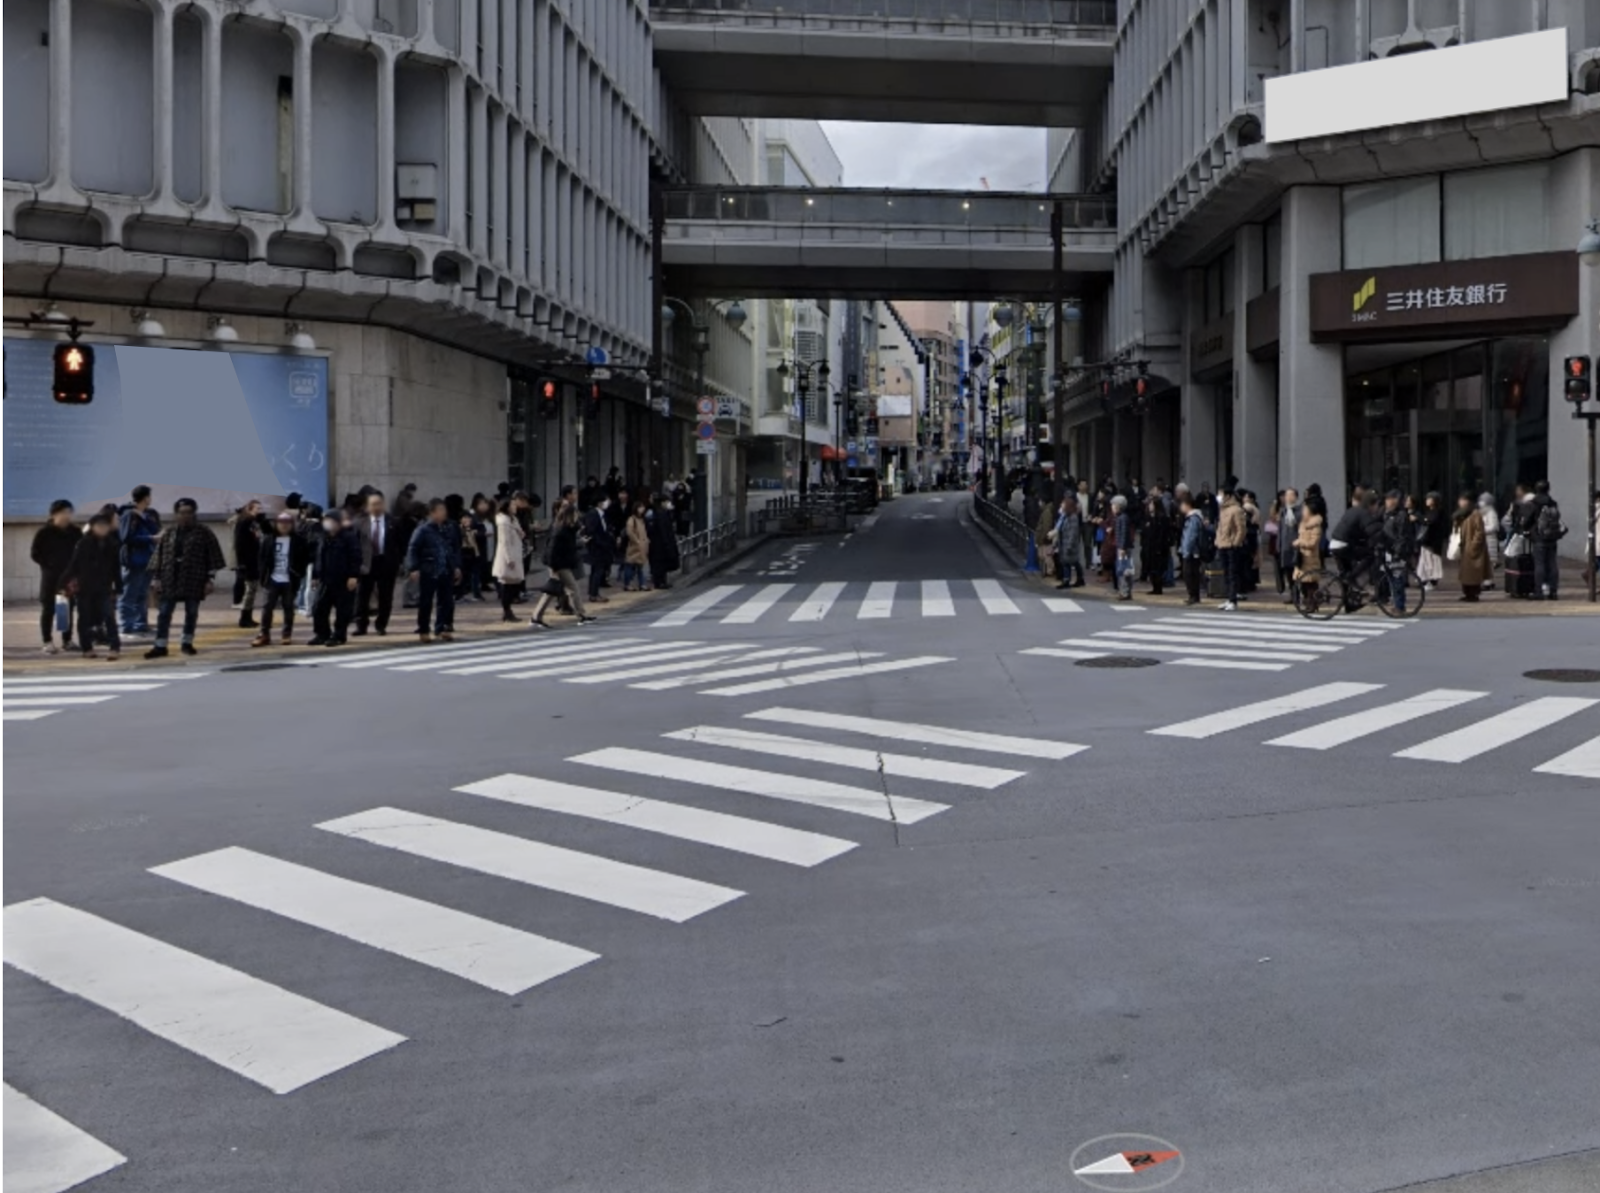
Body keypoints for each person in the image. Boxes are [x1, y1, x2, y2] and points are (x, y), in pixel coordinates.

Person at [145, 497, 226, 659]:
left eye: (189, 512)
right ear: (176, 514)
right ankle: (160, 646)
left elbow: (212, 557)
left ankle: (187, 643)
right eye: (182, 513)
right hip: (170, 578)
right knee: (164, 613)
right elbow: (159, 557)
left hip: (194, 578)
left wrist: (209, 579)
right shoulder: (169, 532)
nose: (185, 516)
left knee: (191, 612)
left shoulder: (204, 532)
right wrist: (156, 578)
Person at [61, 510, 122, 660]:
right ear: (92, 527)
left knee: (109, 616)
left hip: (104, 587)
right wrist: (62, 583)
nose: (102, 528)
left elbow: (116, 567)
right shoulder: (84, 543)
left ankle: (115, 647)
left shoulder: (112, 544)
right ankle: (87, 648)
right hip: (85, 587)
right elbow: (73, 565)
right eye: (99, 526)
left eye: (105, 526)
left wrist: (119, 586)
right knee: (84, 618)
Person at [405, 499, 463, 642]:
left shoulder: (449, 528)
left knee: (447, 601)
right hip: (429, 570)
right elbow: (413, 549)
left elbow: (455, 549)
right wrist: (413, 568)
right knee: (426, 601)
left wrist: (456, 566)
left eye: (444, 510)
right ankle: (424, 629)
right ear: (432, 513)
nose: (444, 513)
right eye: (440, 510)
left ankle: (443, 627)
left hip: (446, 569)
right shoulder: (423, 530)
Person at [32, 499, 83, 655]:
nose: (67, 516)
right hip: (50, 577)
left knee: (66, 609)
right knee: (48, 609)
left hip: (69, 578)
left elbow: (82, 552)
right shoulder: (44, 533)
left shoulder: (75, 532)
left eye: (69, 512)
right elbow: (35, 554)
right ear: (54, 514)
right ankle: (47, 641)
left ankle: (67, 640)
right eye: (64, 513)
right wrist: (50, 565)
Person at [530, 505, 593, 628]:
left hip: (561, 563)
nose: (577, 517)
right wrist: (553, 566)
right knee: (572, 588)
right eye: (575, 515)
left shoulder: (566, 529)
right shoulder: (561, 530)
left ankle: (536, 617)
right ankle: (581, 615)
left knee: (551, 591)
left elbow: (569, 544)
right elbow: (552, 550)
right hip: (559, 564)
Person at [253, 511, 309, 645]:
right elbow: (261, 559)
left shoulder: (298, 541)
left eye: (287, 523)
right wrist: (263, 576)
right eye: (281, 523)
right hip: (272, 578)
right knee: (267, 607)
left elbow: (304, 559)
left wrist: (298, 573)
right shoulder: (268, 539)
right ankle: (264, 633)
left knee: (288, 607)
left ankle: (286, 633)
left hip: (290, 578)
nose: (284, 526)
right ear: (276, 524)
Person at [354, 490, 403, 636]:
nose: (377, 507)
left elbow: (400, 544)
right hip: (366, 563)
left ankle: (381, 624)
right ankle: (361, 625)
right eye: (373, 504)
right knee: (362, 595)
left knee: (385, 596)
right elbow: (355, 545)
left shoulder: (393, 522)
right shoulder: (359, 523)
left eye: (379, 504)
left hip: (386, 562)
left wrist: (398, 562)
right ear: (367, 506)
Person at [309, 509, 360, 647]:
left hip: (343, 579)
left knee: (343, 611)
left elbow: (355, 557)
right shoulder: (323, 537)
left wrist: (353, 576)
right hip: (325, 579)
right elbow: (318, 558)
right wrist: (315, 575)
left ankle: (339, 635)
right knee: (319, 608)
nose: (326, 523)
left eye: (330, 520)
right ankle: (322, 634)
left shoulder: (349, 537)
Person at [117, 485, 160, 635]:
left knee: (142, 594)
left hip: (146, 560)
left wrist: (145, 519)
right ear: (145, 497)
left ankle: (140, 625)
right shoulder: (128, 515)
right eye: (149, 496)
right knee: (129, 594)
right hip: (134, 560)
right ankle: (126, 627)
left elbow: (154, 530)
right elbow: (125, 537)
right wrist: (150, 539)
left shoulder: (145, 514)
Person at [1526, 479, 1566, 600]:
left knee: (1539, 564)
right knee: (1552, 563)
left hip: (1539, 537)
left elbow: (1528, 520)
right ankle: (1553, 591)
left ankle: (1539, 591)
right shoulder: (1552, 503)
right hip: (1552, 537)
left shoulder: (1533, 503)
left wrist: (1527, 530)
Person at [230, 501, 266, 629]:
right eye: (257, 508)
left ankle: (248, 615)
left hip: (254, 560)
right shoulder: (245, 522)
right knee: (249, 590)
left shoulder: (253, 522)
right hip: (248, 561)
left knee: (252, 589)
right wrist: (242, 563)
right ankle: (244, 617)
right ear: (249, 509)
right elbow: (240, 544)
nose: (260, 511)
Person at [491, 497, 525, 622]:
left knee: (514, 583)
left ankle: (508, 610)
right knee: (507, 584)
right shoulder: (503, 522)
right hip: (508, 556)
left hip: (515, 553)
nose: (515, 507)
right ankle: (506, 611)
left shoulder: (513, 519)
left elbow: (521, 533)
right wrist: (509, 558)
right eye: (513, 505)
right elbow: (504, 541)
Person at [1452, 492, 1491, 602]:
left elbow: (1479, 532)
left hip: (1472, 549)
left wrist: (1474, 545)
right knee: (1465, 574)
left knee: (1473, 574)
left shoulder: (1475, 514)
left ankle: (1473, 594)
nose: (1461, 502)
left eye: (1463, 500)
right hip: (1464, 547)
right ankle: (1467, 593)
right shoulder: (1462, 514)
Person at [1214, 489, 1247, 611]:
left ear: (1228, 495)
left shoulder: (1236, 510)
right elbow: (1220, 527)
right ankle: (1228, 598)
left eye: (1221, 494)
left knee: (1232, 574)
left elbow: (1241, 529)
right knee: (1226, 573)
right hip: (1222, 544)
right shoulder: (1222, 509)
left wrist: (1235, 543)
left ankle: (1233, 600)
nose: (1219, 497)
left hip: (1232, 546)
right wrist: (1217, 541)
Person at [582, 496, 616, 604]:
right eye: (605, 501)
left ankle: (594, 593)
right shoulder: (593, 514)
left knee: (598, 570)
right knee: (597, 570)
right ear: (599, 502)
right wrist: (599, 542)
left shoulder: (602, 514)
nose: (607, 503)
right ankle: (593, 594)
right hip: (597, 547)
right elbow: (591, 531)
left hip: (603, 546)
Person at [1140, 493, 1172, 596]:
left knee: (1157, 568)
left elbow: (1163, 534)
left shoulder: (1161, 519)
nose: (1149, 506)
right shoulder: (1148, 518)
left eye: (1151, 504)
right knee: (1150, 567)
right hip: (1149, 546)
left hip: (1158, 548)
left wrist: (1160, 547)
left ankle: (1158, 588)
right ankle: (1154, 587)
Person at [1177, 494, 1207, 605]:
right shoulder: (1195, 517)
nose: (1181, 507)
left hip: (1192, 552)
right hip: (1192, 551)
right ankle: (1194, 596)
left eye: (1182, 505)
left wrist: (1186, 550)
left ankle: (1193, 596)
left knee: (1190, 574)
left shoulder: (1193, 519)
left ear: (1187, 505)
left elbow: (1191, 536)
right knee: (1192, 573)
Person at [649, 496, 681, 590]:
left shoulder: (662, 513)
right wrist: (667, 543)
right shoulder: (661, 514)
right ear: (662, 503)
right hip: (660, 544)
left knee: (662, 564)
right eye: (667, 502)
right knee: (660, 564)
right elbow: (663, 530)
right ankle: (659, 582)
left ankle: (662, 581)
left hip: (660, 543)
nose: (669, 504)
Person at [1053, 496, 1084, 589]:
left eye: (1063, 504)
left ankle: (1069, 580)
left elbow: (1073, 532)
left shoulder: (1073, 517)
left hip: (1070, 543)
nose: (1061, 506)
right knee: (1069, 561)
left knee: (1070, 561)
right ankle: (1074, 579)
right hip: (1064, 542)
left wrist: (1070, 545)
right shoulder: (1065, 516)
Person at [622, 501, 651, 591]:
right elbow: (630, 532)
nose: (642, 509)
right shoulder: (632, 519)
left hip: (641, 546)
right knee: (630, 566)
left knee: (640, 567)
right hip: (634, 546)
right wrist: (637, 541)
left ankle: (642, 584)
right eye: (640, 507)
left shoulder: (641, 519)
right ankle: (628, 584)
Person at [1477, 492, 1501, 590]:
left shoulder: (1491, 512)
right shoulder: (1481, 512)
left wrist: (1482, 529)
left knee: (1490, 562)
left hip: (1490, 540)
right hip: (1483, 540)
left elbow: (1494, 526)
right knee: (1484, 562)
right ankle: (1485, 580)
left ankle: (1488, 582)